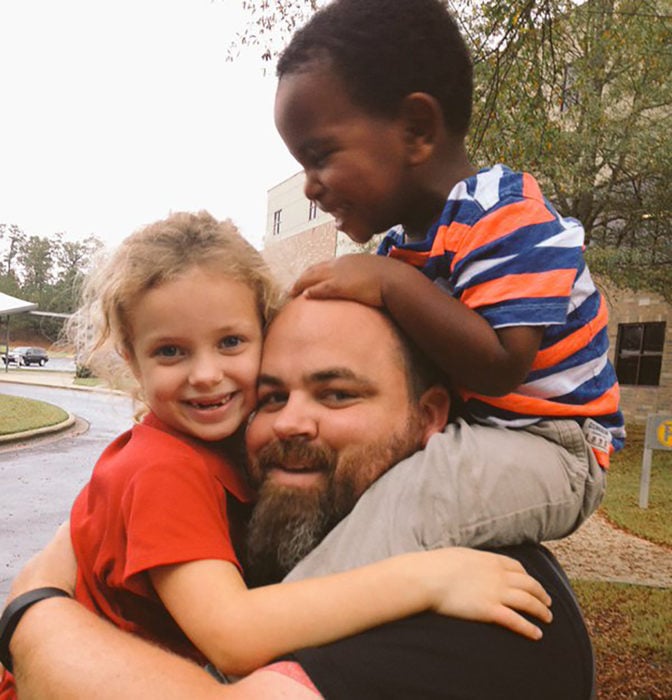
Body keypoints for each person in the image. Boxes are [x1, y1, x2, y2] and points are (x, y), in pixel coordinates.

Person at [0, 214, 554, 698]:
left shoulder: (210, 445)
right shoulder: (163, 468)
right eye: (171, 351)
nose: (207, 374)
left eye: (232, 343)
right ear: (131, 357)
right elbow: (234, 635)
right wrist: (430, 578)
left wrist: (36, 599)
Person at [274, 0, 626, 560]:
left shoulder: (506, 218)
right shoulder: (401, 249)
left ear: (416, 130)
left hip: (554, 445)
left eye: (319, 156)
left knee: (408, 503)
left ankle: (270, 634)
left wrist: (389, 284)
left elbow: (500, 365)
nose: (311, 187)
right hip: (472, 431)